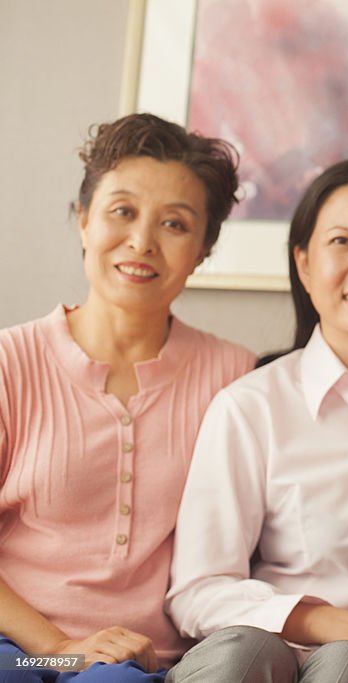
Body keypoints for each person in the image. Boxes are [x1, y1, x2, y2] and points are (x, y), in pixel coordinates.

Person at [165, 158, 348, 683]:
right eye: (341, 242)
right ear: (302, 262)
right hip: (269, 657)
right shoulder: (251, 406)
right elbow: (197, 591)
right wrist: (325, 620)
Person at [0, 113, 255, 681]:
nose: (141, 241)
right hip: (21, 646)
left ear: (203, 249)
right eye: (122, 211)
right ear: (85, 220)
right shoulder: (9, 364)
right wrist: (61, 645)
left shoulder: (233, 375)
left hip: (141, 662)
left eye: (174, 224)